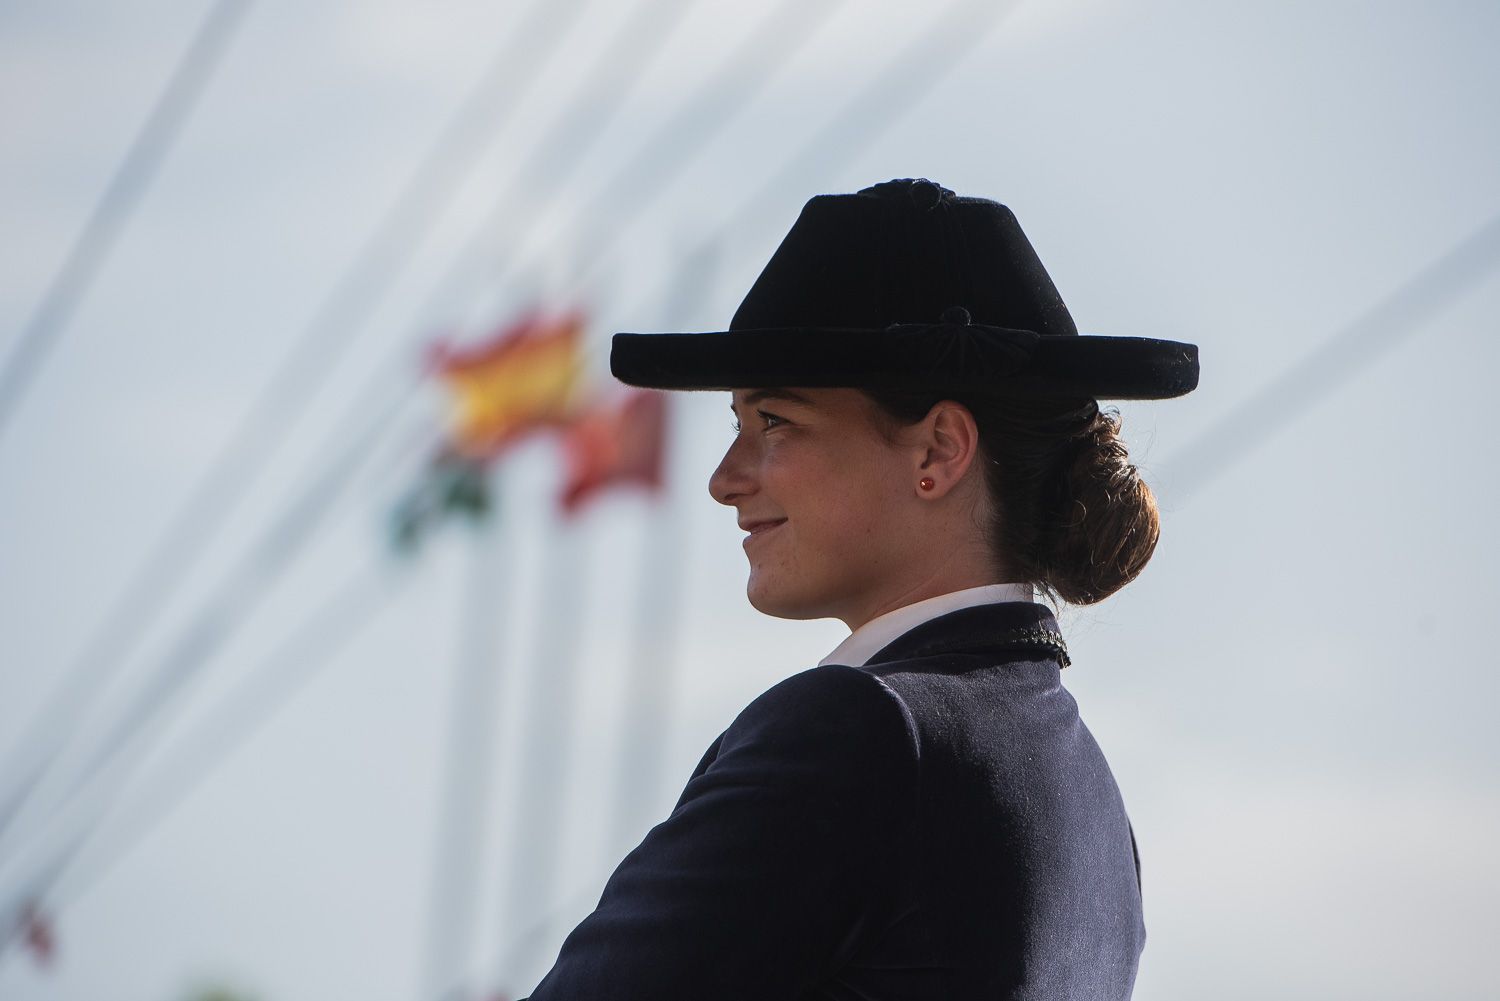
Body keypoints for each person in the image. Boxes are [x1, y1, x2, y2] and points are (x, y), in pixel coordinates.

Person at [520, 178, 1199, 1000]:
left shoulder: (858, 731)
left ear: (937, 452)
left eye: (775, 421)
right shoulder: (1097, 810)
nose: (723, 480)